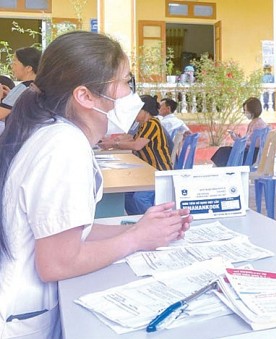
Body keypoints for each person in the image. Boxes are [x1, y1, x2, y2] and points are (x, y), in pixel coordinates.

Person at [0, 31, 191, 339]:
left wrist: (139, 229)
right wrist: (136, 240)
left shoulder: (50, 132)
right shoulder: (63, 144)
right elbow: (58, 262)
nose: (131, 94)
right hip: (22, 321)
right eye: (125, 82)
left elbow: (71, 230)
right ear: (85, 96)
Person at [100, 95, 173, 215]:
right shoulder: (143, 125)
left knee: (140, 198)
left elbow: (137, 145)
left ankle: (156, 219)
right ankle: (137, 219)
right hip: (148, 171)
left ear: (145, 111)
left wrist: (114, 143)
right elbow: (131, 139)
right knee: (127, 195)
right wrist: (112, 143)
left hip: (159, 171)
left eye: (136, 111)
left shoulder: (152, 124)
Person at [211, 97, 268, 167]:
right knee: (223, 151)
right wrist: (238, 139)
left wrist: (241, 141)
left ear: (252, 110)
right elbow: (249, 140)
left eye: (245, 110)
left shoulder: (258, 124)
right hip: (250, 152)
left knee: (223, 152)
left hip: (251, 155)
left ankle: (218, 171)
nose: (244, 113)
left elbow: (256, 143)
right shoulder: (255, 122)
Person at [0, 47, 41, 119]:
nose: (12, 67)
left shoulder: (23, 88)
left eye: (14, 63)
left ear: (28, 68)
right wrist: (10, 96)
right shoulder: (41, 86)